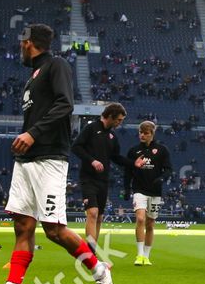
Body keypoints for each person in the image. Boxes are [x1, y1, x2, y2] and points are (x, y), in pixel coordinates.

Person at [0, 24, 113, 284]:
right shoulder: (32, 77)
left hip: (50, 159)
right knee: (23, 226)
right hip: (26, 161)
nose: (19, 47)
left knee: (54, 230)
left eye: (21, 42)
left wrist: (32, 133)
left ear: (28, 42)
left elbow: (66, 104)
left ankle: (99, 271)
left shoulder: (56, 65)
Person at [72, 103, 129, 253]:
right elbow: (76, 147)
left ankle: (93, 250)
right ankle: (89, 252)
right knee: (92, 213)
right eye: (119, 120)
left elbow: (116, 157)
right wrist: (92, 160)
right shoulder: (91, 128)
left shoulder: (112, 136)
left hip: (103, 180)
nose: (120, 123)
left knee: (99, 217)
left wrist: (132, 164)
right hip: (88, 178)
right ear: (110, 116)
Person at [126, 120, 171, 266]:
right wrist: (127, 189)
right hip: (139, 189)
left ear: (152, 134)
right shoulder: (133, 151)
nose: (142, 135)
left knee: (150, 223)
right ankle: (139, 255)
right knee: (140, 219)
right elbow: (128, 171)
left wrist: (161, 178)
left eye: (145, 133)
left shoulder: (162, 150)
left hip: (155, 192)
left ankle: (146, 255)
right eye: (140, 132)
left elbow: (169, 169)